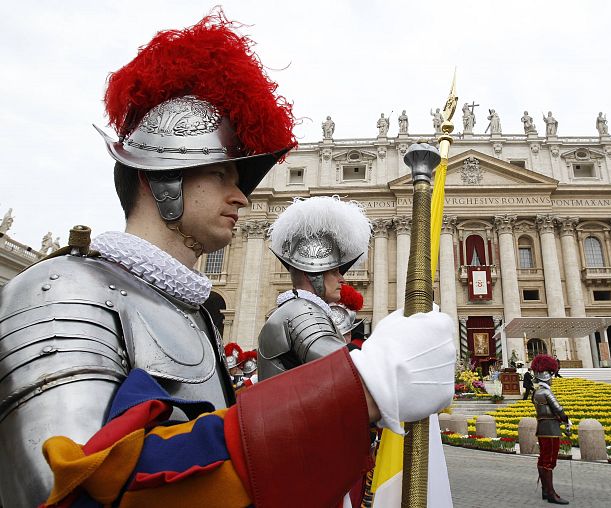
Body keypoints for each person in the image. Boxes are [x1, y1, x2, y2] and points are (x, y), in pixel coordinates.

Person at [0, 12, 455, 507]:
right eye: (223, 175)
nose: (242, 198)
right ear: (163, 180)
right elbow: (64, 485)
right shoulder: (63, 292)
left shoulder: (190, 312)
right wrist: (359, 391)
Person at [257, 195, 370, 380]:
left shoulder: (302, 309)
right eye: (334, 272)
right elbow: (345, 367)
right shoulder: (303, 311)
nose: (342, 279)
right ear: (313, 274)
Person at [532, 354, 570, 505]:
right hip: (551, 429)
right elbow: (558, 409)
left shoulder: (536, 392)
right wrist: (566, 420)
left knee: (543, 459)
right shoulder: (546, 392)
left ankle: (545, 490)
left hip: (541, 428)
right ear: (547, 376)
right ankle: (551, 493)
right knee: (550, 461)